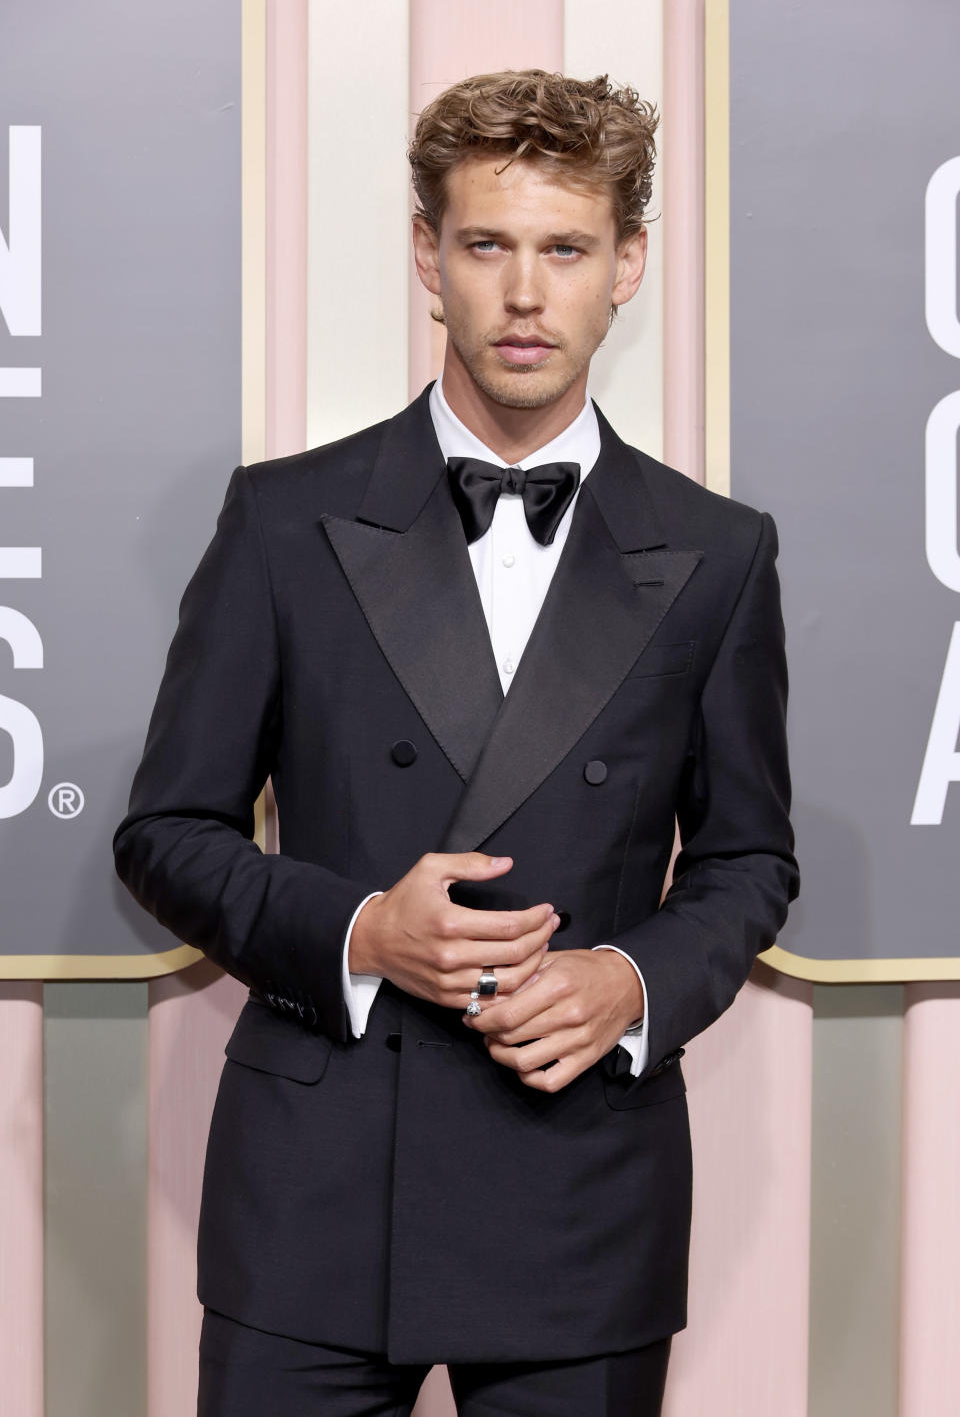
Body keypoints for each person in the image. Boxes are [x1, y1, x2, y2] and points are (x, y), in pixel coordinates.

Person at [114, 69, 799, 1417]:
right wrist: (362, 933)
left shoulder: (719, 553)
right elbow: (167, 833)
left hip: (579, 1192)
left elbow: (748, 861)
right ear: (430, 258)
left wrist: (630, 983)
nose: (526, 294)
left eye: (566, 249)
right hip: (315, 1197)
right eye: (487, 245)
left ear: (629, 266)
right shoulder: (283, 523)